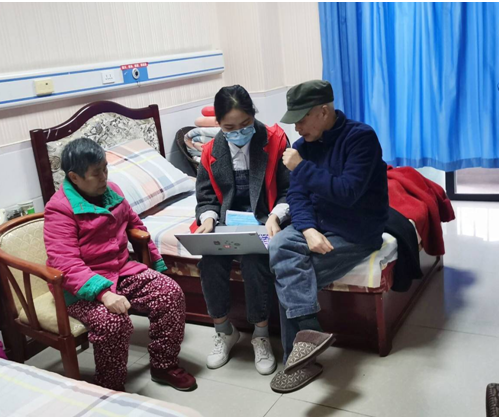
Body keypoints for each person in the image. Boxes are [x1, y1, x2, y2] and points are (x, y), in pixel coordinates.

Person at [44, 138, 196, 392]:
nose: (104, 177)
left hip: (121, 270)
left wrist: (155, 264)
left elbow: (136, 224)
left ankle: (164, 365)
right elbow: (66, 264)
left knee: (169, 293)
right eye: (96, 173)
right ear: (75, 177)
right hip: (80, 287)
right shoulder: (59, 209)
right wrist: (104, 294)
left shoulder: (112, 191)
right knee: (112, 322)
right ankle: (110, 388)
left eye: (105, 168)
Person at [268, 80, 389, 393]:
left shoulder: (360, 138)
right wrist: (307, 229)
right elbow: (297, 197)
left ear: (323, 111)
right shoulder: (302, 146)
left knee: (288, 275)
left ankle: (298, 362)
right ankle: (309, 334)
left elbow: (348, 192)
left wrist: (301, 167)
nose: (296, 127)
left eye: (301, 119)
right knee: (280, 245)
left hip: (356, 231)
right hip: (319, 226)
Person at [194, 85, 290, 375]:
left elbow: (290, 190)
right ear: (218, 124)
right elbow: (206, 197)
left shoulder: (275, 140)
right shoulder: (210, 151)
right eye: (229, 128)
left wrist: (274, 217)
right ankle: (224, 330)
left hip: (265, 219)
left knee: (255, 262)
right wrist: (208, 220)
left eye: (245, 124)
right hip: (227, 223)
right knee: (209, 263)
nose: (238, 132)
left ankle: (260, 335)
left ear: (254, 114)